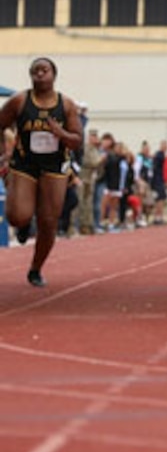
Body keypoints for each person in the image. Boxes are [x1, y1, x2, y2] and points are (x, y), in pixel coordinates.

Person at [0, 57, 83, 286]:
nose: (40, 74)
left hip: (55, 166)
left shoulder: (66, 105)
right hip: (24, 163)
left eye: (44, 70)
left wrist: (61, 133)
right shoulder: (19, 101)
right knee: (17, 216)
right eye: (35, 70)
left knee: (48, 222)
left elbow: (77, 141)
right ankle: (25, 223)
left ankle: (36, 268)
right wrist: (3, 155)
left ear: (53, 75)